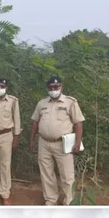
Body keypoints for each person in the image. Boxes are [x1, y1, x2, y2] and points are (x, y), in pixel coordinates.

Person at [29, 75, 85, 206]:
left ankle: (69, 202)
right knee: (46, 173)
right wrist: (31, 140)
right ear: (47, 88)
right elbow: (35, 123)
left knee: (67, 174)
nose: (54, 89)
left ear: (61, 87)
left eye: (56, 87)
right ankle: (51, 199)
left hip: (63, 143)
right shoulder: (41, 103)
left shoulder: (70, 102)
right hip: (44, 142)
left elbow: (78, 124)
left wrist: (77, 143)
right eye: (51, 87)